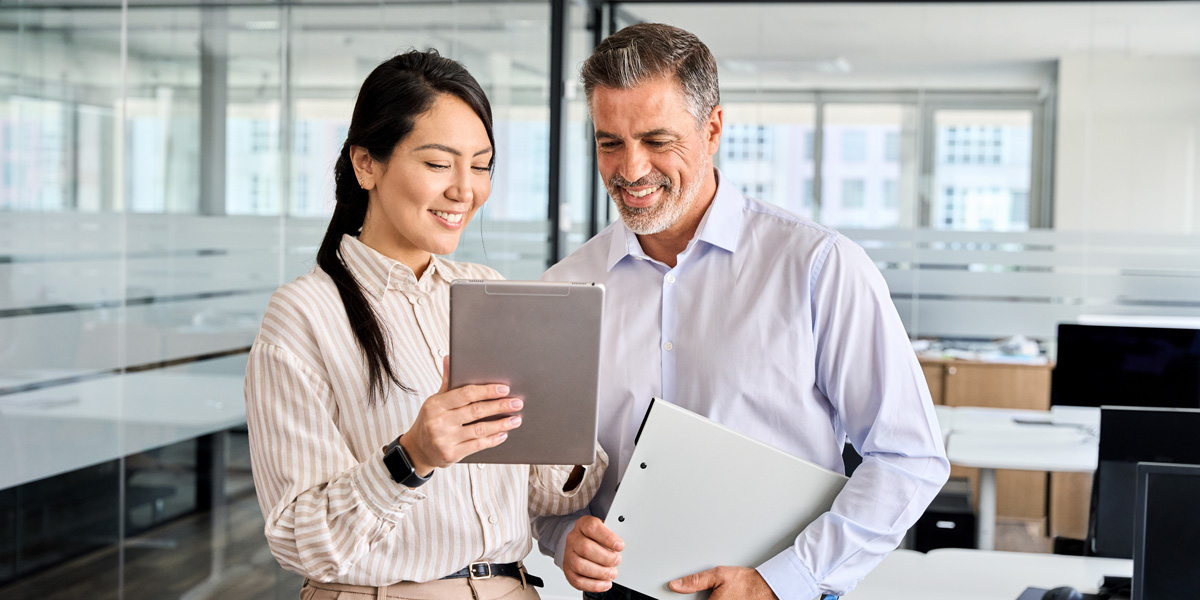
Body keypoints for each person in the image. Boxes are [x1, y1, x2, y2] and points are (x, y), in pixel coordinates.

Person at [532, 23, 949, 600]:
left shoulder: (817, 267)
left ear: (713, 129)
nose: (630, 169)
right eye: (609, 143)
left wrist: (786, 580)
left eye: (657, 140)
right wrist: (561, 535)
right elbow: (542, 479)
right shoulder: (565, 289)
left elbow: (910, 456)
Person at [245, 50, 607, 600]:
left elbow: (550, 498)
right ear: (366, 164)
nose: (466, 190)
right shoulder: (302, 316)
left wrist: (563, 423)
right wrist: (412, 457)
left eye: (481, 165)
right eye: (439, 164)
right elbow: (299, 539)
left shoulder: (485, 288)